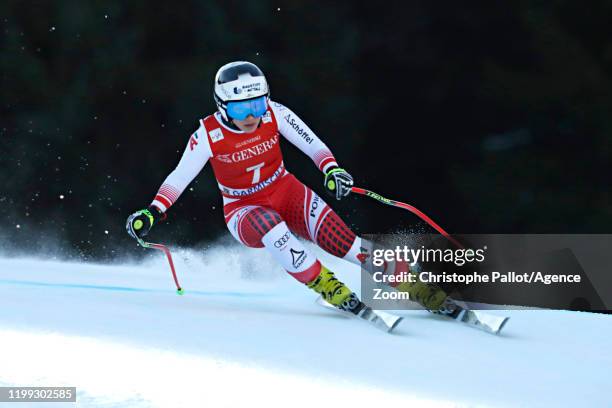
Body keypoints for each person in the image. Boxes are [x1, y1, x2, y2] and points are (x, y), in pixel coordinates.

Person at [126, 61, 447, 314]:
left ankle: (413, 284)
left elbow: (313, 145)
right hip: (243, 210)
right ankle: (326, 285)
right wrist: (154, 211)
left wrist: (332, 169)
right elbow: (179, 177)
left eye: (258, 104)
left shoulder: (276, 114)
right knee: (271, 225)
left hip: (287, 191)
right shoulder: (207, 135)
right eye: (240, 108)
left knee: (345, 243)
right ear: (222, 106)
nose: (252, 115)